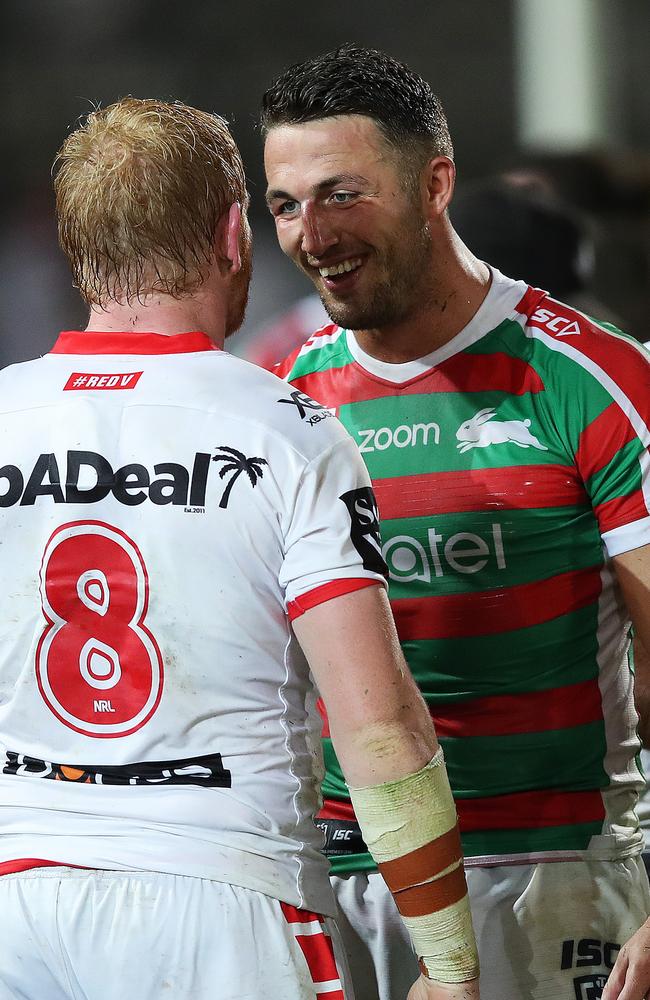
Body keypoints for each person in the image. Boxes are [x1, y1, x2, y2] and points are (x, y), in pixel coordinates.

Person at [0, 98, 480, 1000]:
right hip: (221, 896)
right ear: (233, 232)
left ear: (77, 254)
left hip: (15, 898)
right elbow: (379, 725)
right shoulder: (286, 430)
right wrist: (450, 962)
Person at [261, 44, 650, 1000]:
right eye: (284, 204)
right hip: (347, 878)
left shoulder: (594, 379)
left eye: (341, 194)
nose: (311, 233)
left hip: (550, 874)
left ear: (436, 182)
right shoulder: (282, 399)